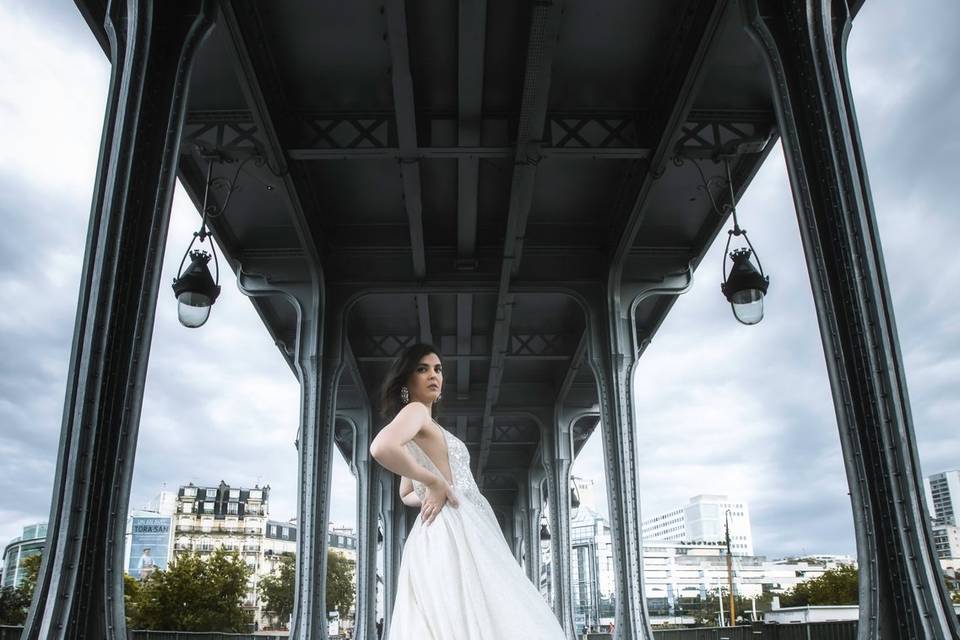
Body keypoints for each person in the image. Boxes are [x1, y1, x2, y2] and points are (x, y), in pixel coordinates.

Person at [369, 343, 567, 639]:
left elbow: (406, 492)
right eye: (422, 369)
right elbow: (381, 447)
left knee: (459, 610)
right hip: (453, 528)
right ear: (406, 380)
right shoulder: (415, 412)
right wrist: (436, 484)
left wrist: (430, 491)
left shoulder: (421, 421)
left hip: (446, 526)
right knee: (484, 606)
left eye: (437, 369)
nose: (433, 375)